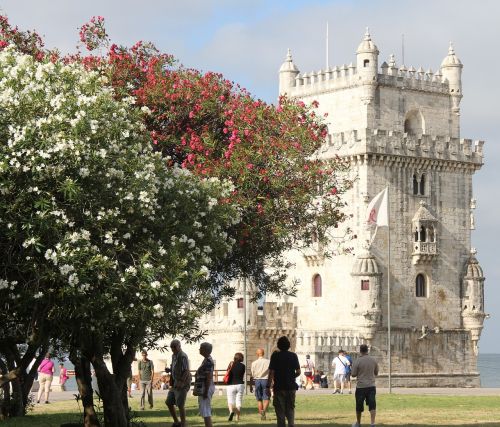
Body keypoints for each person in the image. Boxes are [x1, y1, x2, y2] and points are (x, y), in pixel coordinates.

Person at [266, 336, 300, 427]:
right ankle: (291, 424)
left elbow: (271, 373)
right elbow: (298, 372)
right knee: (290, 408)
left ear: (278, 346)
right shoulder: (293, 356)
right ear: (289, 346)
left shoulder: (275, 356)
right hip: (291, 386)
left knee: (280, 411)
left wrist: (267, 387)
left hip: (279, 387)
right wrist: (291, 377)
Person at [351, 344, 379, 427]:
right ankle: (372, 423)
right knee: (372, 405)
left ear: (360, 351)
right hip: (371, 386)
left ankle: (358, 423)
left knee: (359, 405)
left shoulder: (357, 361)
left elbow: (353, 374)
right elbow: (376, 373)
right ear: (367, 350)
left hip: (361, 386)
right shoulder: (373, 360)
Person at [166, 339, 192, 427]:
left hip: (182, 383)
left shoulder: (183, 356)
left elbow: (186, 371)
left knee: (180, 405)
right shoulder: (173, 355)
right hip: (174, 383)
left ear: (179, 346)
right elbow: (176, 368)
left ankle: (183, 424)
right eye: (171, 347)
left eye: (174, 347)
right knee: (169, 402)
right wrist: (169, 370)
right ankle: (176, 422)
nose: (173, 349)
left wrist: (181, 382)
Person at [195, 342, 215, 427]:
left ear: (205, 350)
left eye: (201, 348)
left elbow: (208, 377)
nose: (199, 349)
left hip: (205, 387)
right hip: (203, 387)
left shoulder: (208, 361)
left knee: (206, 411)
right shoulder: (206, 360)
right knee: (204, 410)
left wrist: (206, 391)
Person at [250, 348, 270, 420]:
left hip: (257, 380)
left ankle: (261, 414)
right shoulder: (268, 362)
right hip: (265, 380)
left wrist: (251, 386)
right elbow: (271, 372)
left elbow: (252, 375)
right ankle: (264, 411)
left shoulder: (254, 363)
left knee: (259, 399)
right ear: (263, 353)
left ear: (257, 354)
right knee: (267, 398)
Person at [226, 352, 245, 421]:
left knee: (230, 400)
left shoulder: (231, 364)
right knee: (238, 401)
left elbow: (227, 372)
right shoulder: (243, 366)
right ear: (241, 358)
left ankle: (231, 412)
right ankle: (237, 417)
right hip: (240, 384)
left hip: (230, 385)